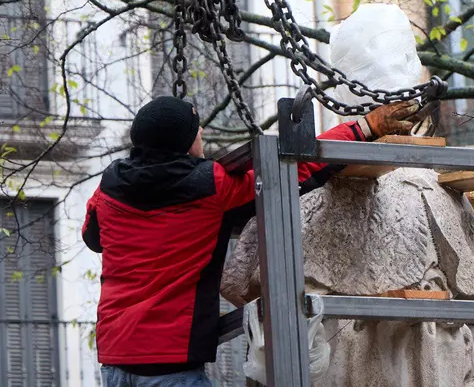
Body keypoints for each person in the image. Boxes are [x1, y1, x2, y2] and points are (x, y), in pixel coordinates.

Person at [82, 95, 425, 386]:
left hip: (115, 361)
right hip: (169, 363)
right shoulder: (210, 186)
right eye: (198, 132)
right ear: (186, 142)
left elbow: (93, 237)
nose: (202, 136)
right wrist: (363, 128)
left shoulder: (109, 187)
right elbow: (293, 171)